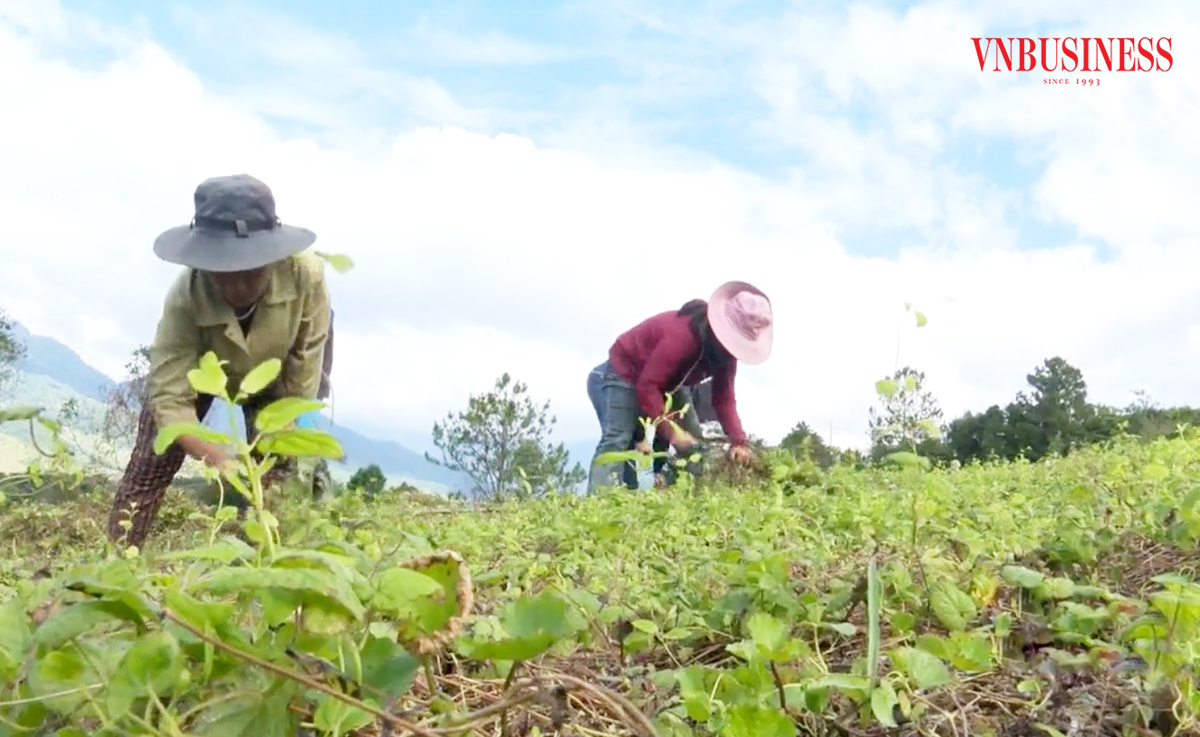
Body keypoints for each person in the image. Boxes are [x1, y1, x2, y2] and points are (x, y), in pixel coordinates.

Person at [107, 174, 332, 549]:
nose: (236, 289)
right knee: (148, 468)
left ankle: (265, 566)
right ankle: (117, 566)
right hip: (202, 379)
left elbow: (300, 377)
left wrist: (268, 454)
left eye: (250, 273)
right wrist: (216, 457)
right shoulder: (185, 297)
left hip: (274, 382)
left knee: (276, 483)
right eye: (224, 275)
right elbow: (170, 397)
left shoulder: (305, 277)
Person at [586, 281, 773, 494]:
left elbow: (724, 399)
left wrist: (739, 441)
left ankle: (684, 495)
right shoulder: (683, 336)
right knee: (619, 439)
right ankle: (601, 501)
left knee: (694, 441)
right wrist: (673, 433)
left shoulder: (726, 356)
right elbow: (648, 386)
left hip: (669, 385)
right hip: (622, 375)